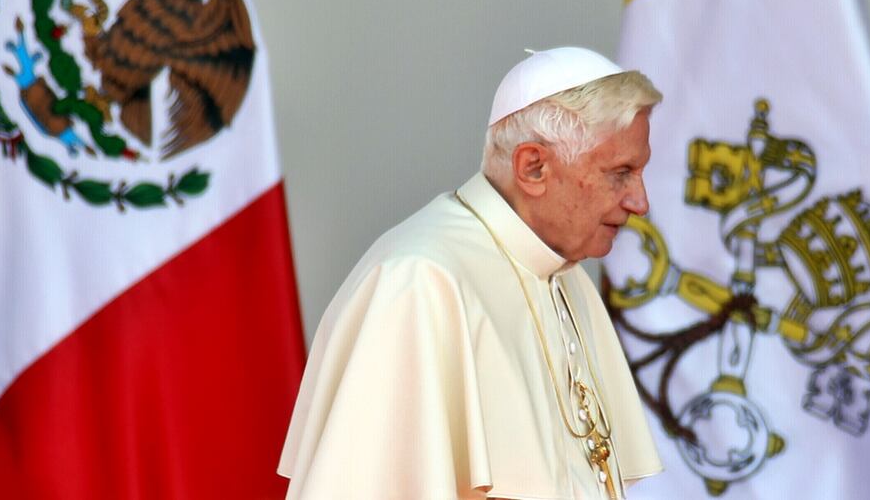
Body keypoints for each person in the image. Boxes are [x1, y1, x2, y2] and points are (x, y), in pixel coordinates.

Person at [278, 47, 664, 499]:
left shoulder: (565, 275)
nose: (640, 202)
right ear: (533, 167)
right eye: (620, 173)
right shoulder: (419, 281)